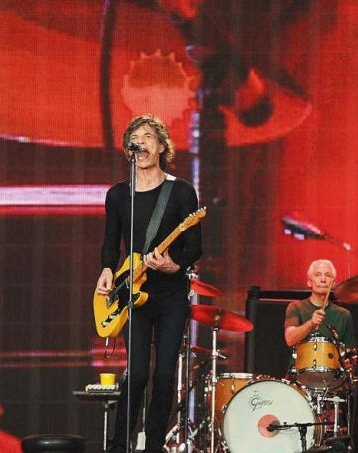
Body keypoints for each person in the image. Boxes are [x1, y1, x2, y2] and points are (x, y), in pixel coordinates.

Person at [96, 115, 202, 453]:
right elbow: (111, 241)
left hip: (170, 295)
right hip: (132, 294)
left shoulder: (181, 192)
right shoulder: (118, 195)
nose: (140, 143)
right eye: (134, 138)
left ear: (160, 147)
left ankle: (154, 445)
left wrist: (174, 264)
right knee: (138, 373)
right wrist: (106, 269)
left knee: (165, 375)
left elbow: (194, 247)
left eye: (147, 137)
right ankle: (119, 446)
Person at [284, 259, 356, 350]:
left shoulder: (344, 314)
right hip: (302, 359)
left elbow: (350, 352)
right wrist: (311, 323)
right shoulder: (296, 307)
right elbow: (290, 339)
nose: (323, 279)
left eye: (328, 275)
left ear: (333, 283)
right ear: (309, 282)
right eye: (318, 275)